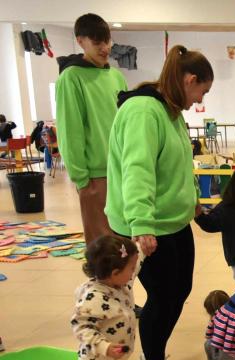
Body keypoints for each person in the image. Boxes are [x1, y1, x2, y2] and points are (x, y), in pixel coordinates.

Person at [106, 45, 213, 360]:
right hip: (147, 224)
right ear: (189, 80)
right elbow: (137, 171)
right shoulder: (143, 111)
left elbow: (181, 161)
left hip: (173, 220)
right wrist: (141, 224)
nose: (200, 99)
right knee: (162, 297)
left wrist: (192, 199)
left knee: (179, 291)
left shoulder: (170, 111)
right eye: (202, 91)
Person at [56, 13, 128, 245]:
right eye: (97, 43)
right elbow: (70, 130)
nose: (105, 48)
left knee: (127, 245)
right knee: (104, 249)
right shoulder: (71, 77)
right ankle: (102, 284)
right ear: (81, 41)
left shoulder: (116, 76)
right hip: (96, 176)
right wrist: (82, 179)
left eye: (107, 42)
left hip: (124, 171)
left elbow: (127, 123)